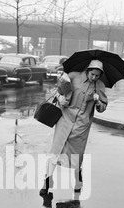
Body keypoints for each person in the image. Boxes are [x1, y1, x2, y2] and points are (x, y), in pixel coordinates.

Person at [40, 59, 108, 196]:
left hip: (82, 125)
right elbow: (57, 91)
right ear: (87, 71)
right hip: (65, 119)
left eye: (97, 75)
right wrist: (60, 99)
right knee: (56, 150)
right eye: (92, 74)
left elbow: (102, 108)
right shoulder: (73, 76)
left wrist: (98, 101)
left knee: (77, 155)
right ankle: (47, 181)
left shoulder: (99, 86)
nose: (94, 77)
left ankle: (78, 180)